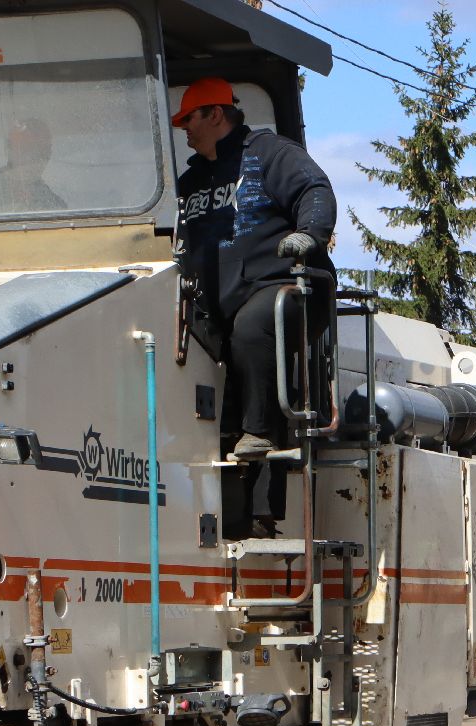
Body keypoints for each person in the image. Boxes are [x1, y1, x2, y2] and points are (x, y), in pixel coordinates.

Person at [171, 77, 337, 535]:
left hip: (288, 288)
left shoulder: (268, 153)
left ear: (216, 115)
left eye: (190, 119)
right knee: (213, 378)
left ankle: (261, 428)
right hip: (220, 305)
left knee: (255, 327)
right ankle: (237, 513)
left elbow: (314, 189)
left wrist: (311, 234)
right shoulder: (190, 182)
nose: (184, 129)